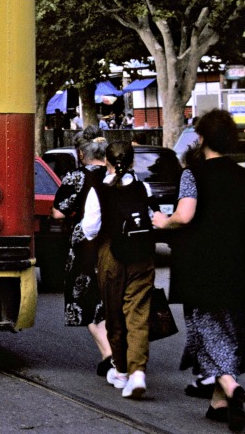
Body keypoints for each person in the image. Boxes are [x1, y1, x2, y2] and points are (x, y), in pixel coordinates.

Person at [153, 108, 245, 431]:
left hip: (201, 261)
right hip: (239, 259)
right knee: (229, 325)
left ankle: (228, 383)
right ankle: (219, 403)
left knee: (205, 326)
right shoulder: (244, 175)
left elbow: (185, 215)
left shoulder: (193, 174)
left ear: (201, 138)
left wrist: (162, 221)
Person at [84, 141, 157, 399]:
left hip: (111, 256)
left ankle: (122, 369)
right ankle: (138, 372)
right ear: (133, 161)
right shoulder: (143, 187)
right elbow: (152, 219)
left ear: (106, 161)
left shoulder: (98, 191)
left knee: (114, 314)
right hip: (142, 256)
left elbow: (90, 229)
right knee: (138, 314)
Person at [50, 127, 112, 378]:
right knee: (108, 301)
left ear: (81, 154)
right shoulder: (114, 175)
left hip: (85, 246)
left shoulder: (75, 177)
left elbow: (58, 212)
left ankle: (109, 355)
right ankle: (113, 354)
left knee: (86, 301)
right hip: (114, 243)